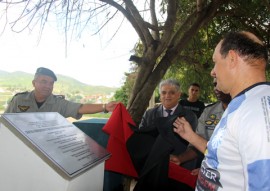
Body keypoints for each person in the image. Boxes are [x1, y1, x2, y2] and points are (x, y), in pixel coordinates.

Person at [173, 31, 270, 190]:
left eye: (215, 62)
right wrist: (190, 136)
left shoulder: (257, 111)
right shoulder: (243, 104)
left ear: (232, 59)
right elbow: (224, 155)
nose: (213, 72)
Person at [127, 79, 198, 191]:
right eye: (164, 92)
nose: (167, 96)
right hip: (153, 169)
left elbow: (193, 144)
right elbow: (142, 141)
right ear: (160, 95)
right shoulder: (149, 114)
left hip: (177, 170)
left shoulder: (189, 116)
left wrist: (180, 159)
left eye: (172, 92)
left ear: (179, 94)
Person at [4, 67, 118, 119]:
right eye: (44, 82)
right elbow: (5, 122)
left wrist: (105, 107)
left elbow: (81, 108)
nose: (48, 86)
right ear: (34, 83)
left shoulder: (59, 103)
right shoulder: (19, 100)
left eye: (51, 83)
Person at [170, 78, 231, 174]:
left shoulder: (250, 112)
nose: (217, 88)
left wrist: (215, 170)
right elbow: (197, 145)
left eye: (221, 82)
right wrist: (180, 158)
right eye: (215, 84)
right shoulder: (208, 111)